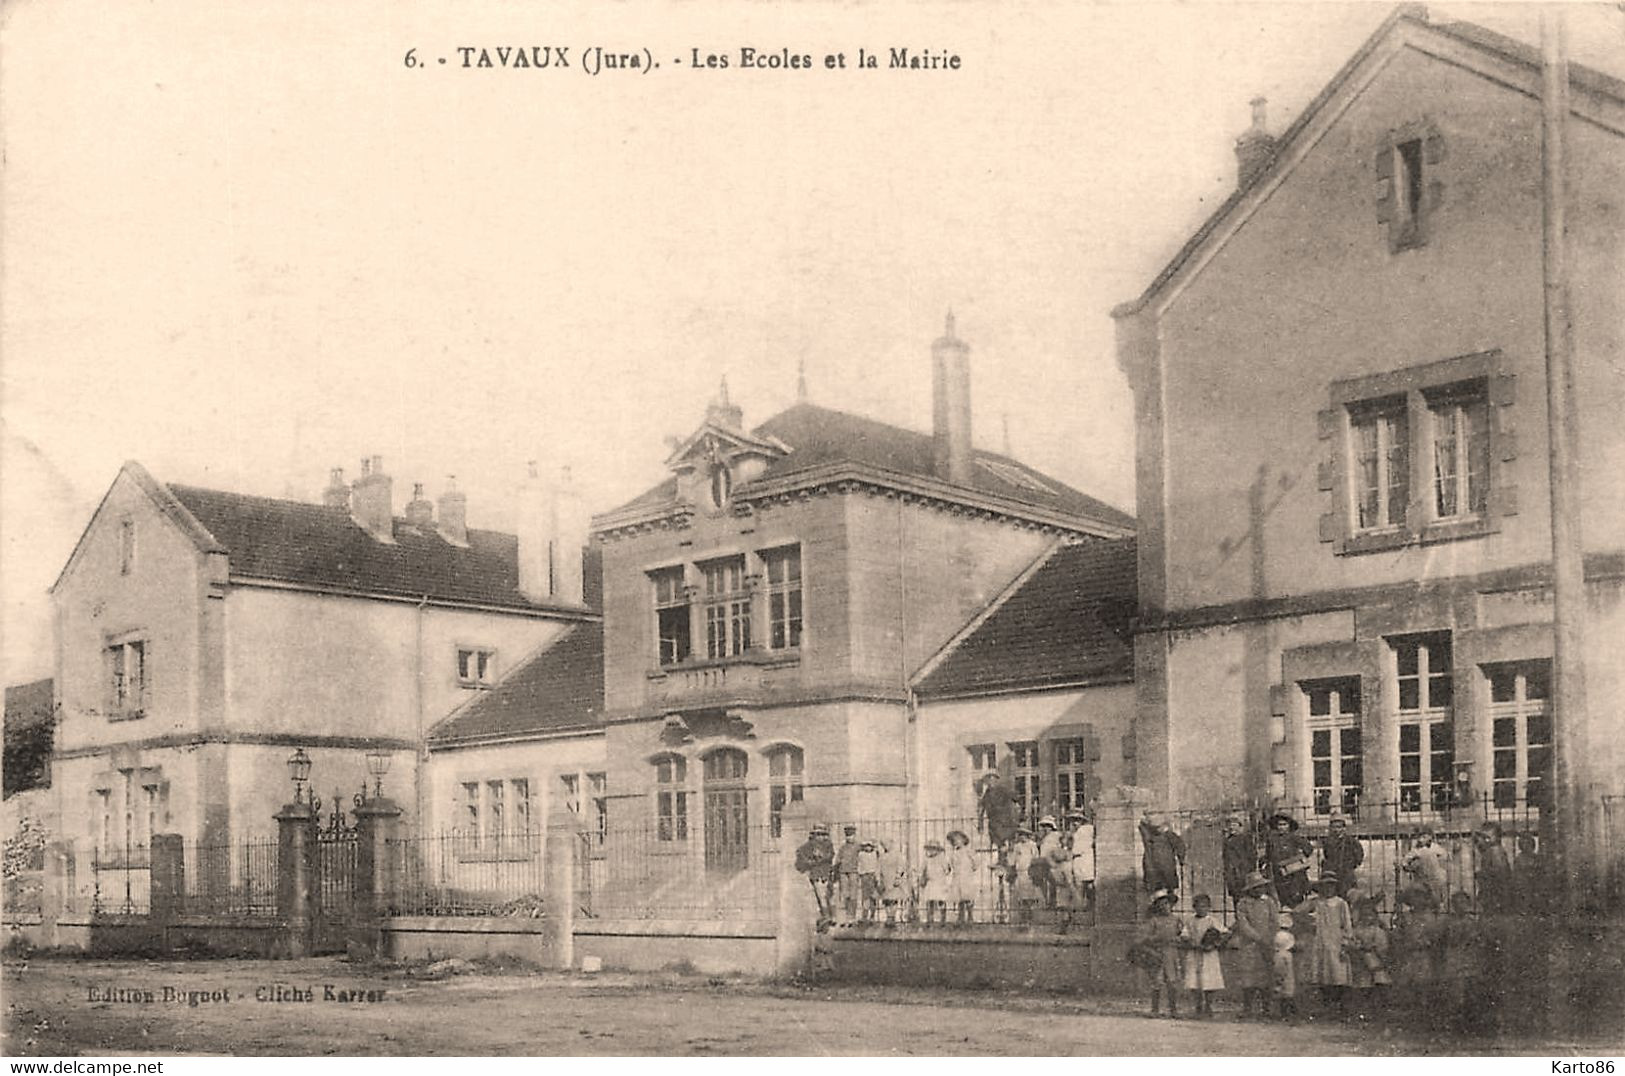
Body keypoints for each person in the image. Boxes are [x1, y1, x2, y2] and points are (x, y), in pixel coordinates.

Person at [1303, 873, 1354, 1017]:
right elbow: (1297, 912)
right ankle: (1327, 1007)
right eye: (1325, 886)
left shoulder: (1341, 903)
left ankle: (1341, 1008)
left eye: (1331, 886)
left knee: (1339, 975)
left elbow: (1347, 925)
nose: (1328, 889)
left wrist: (1345, 943)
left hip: (1337, 943)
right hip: (1321, 943)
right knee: (1324, 976)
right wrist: (1309, 922)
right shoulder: (1316, 903)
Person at [1231, 870, 1279, 1018]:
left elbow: (1274, 921)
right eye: (1256, 887)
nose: (1260, 890)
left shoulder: (1269, 902)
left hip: (1267, 944)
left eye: (1262, 887)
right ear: (1250, 889)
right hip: (1249, 945)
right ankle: (1248, 1008)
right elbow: (1243, 924)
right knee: (1249, 977)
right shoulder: (1243, 904)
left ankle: (1266, 1007)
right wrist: (1257, 938)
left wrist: (1270, 937)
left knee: (1266, 976)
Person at [1131, 890, 1184, 1019]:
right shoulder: (1154, 921)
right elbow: (1142, 938)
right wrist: (1155, 938)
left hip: (1171, 953)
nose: (1164, 906)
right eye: (1160, 904)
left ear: (1171, 905)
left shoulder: (1176, 920)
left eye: (1166, 903)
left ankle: (1173, 1009)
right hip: (1158, 953)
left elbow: (1183, 934)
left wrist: (1180, 939)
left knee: (1172, 981)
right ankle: (1155, 1009)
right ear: (1156, 907)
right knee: (1157, 981)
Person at [1181, 893, 1227, 1018]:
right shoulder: (1190, 920)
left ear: (1209, 907)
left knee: (1209, 981)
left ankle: (1208, 1005)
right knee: (1194, 980)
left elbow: (1224, 933)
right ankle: (1198, 1005)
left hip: (1209, 955)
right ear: (1194, 907)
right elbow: (1185, 935)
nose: (1201, 909)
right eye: (1198, 906)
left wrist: (1214, 944)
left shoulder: (1212, 920)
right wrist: (1191, 943)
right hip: (1195, 953)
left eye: (1204, 906)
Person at [1347, 895, 1392, 1015]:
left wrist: (1375, 949)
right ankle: (1363, 1008)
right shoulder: (1357, 930)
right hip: (1360, 959)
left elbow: (1382, 946)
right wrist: (1357, 947)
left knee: (1378, 980)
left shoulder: (1377, 931)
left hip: (1374, 958)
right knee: (1362, 983)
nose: (1368, 918)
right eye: (1364, 915)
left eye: (1370, 915)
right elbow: (1351, 942)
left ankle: (1378, 1007)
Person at [1265, 813, 1315, 908]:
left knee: (1296, 898)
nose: (1282, 827)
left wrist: (1297, 859)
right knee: (1282, 896)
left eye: (1284, 825)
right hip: (1279, 874)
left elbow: (1309, 848)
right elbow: (1269, 855)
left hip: (1294, 874)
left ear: (1289, 826)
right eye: (1280, 825)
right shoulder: (1272, 840)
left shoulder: (1294, 838)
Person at [793, 822, 835, 921]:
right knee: (820, 895)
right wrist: (810, 861)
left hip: (826, 872)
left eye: (822, 834)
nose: (820, 837)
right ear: (814, 835)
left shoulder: (828, 845)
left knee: (828, 895)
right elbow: (800, 853)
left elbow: (830, 855)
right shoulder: (809, 846)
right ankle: (825, 915)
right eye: (818, 834)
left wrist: (821, 858)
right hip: (815, 872)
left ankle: (831, 915)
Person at [1139, 810, 1186, 898]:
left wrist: (1181, 858)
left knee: (1167, 886)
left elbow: (1180, 846)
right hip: (1155, 867)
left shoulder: (1169, 836)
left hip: (1164, 866)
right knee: (1158, 888)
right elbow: (1180, 847)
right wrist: (1181, 858)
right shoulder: (1149, 836)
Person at [1319, 811, 1364, 898]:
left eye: (1339, 827)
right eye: (1333, 827)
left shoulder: (1351, 841)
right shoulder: (1328, 842)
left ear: (1344, 828)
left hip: (1346, 873)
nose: (1336, 830)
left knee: (1348, 895)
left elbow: (1359, 856)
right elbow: (1327, 855)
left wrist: (1350, 865)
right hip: (1333, 873)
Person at [1472, 822, 1513, 915]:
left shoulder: (1495, 851)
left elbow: (1500, 872)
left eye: (1487, 838)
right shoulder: (1489, 851)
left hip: (1495, 891)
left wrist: (1482, 874)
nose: (1481, 841)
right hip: (1492, 891)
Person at [1402, 829, 1450, 909]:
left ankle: (1439, 908)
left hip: (1435, 876)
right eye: (1419, 837)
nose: (1421, 840)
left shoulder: (1435, 847)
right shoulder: (1416, 850)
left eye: (1424, 837)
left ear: (1430, 837)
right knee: (1423, 896)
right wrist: (1410, 867)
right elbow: (1405, 860)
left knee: (1437, 896)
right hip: (1422, 877)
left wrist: (1439, 862)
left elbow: (1445, 856)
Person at [1221, 814, 1260, 909]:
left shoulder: (1245, 838)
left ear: (1240, 826)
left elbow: (1252, 855)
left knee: (1246, 895)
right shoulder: (1227, 840)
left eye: (1235, 825)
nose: (1232, 827)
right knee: (1236, 896)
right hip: (1232, 873)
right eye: (1230, 825)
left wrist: (1249, 869)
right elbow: (1225, 857)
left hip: (1243, 871)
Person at [1007, 826, 1042, 924]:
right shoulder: (1017, 846)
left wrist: (1034, 869)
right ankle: (1023, 916)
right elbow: (1013, 859)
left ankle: (1030, 914)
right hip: (1020, 872)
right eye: (1020, 835)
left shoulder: (1032, 845)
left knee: (1029, 895)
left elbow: (1035, 857)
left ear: (1027, 836)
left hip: (1029, 872)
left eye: (1023, 835)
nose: (1021, 837)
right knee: (1021, 895)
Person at [945, 829, 979, 925]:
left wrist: (972, 867)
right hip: (957, 877)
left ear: (963, 840)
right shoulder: (953, 853)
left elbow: (975, 862)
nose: (956, 841)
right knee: (959, 898)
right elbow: (950, 865)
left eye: (958, 839)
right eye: (954, 840)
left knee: (968, 896)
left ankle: (970, 916)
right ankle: (961, 917)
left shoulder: (968, 850)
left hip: (966, 876)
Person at [977, 773, 1019, 850]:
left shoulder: (1004, 790)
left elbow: (1015, 799)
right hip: (994, 822)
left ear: (996, 781)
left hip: (1006, 822)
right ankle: (1001, 859)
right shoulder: (987, 793)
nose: (990, 783)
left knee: (1009, 843)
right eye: (988, 781)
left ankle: (1008, 858)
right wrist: (980, 824)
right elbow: (982, 808)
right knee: (998, 843)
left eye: (992, 780)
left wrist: (1016, 816)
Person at [1067, 811, 1096, 915]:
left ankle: (1091, 903)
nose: (1075, 822)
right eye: (1073, 820)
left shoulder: (1088, 829)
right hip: (1077, 859)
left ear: (1082, 821)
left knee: (1089, 882)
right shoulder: (1074, 833)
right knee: (1078, 883)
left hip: (1086, 857)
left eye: (1077, 820)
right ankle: (1080, 905)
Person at [1273, 908, 1299, 1020]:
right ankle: (1286, 1013)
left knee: (1285, 991)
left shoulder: (1279, 952)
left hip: (1284, 973)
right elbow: (1281, 968)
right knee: (1286, 991)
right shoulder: (1286, 953)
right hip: (1285, 975)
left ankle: (1288, 1011)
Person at [834, 825, 862, 924]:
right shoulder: (843, 847)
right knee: (845, 894)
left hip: (854, 872)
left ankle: (852, 916)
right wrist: (837, 865)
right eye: (847, 835)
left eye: (851, 835)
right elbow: (838, 859)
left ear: (854, 835)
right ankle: (846, 915)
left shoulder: (858, 846)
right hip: (843, 872)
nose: (849, 837)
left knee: (853, 894)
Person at [919, 839, 951, 926]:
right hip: (930, 882)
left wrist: (945, 870)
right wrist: (922, 876)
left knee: (941, 900)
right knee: (930, 901)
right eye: (929, 849)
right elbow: (922, 869)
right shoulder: (926, 859)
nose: (931, 851)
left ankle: (942, 919)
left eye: (933, 849)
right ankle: (930, 919)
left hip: (940, 882)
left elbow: (947, 870)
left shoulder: (941, 858)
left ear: (938, 850)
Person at [856, 839, 881, 922]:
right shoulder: (861, 854)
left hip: (872, 876)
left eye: (869, 846)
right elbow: (859, 865)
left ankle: (872, 915)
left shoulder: (875, 854)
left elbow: (878, 865)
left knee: (873, 896)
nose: (868, 847)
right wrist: (860, 874)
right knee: (865, 896)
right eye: (866, 846)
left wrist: (877, 876)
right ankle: (865, 915)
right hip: (865, 876)